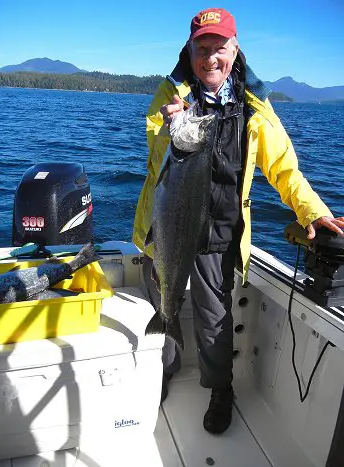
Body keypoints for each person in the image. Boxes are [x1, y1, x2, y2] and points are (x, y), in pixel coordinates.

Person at [132, 7, 344, 434]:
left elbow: (284, 168)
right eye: (202, 48)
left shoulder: (254, 106)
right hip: (169, 229)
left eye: (220, 48)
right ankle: (164, 373)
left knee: (214, 319)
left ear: (235, 50)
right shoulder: (170, 95)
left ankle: (220, 390)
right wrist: (171, 127)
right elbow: (159, 156)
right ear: (189, 50)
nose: (211, 58)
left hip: (220, 234)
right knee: (166, 301)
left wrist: (314, 212)